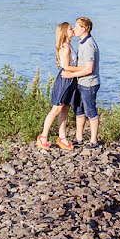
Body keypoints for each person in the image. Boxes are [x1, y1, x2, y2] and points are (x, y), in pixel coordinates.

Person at [37, 22, 78, 150]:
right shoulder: (65, 47)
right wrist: (84, 68)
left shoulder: (69, 45)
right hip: (64, 79)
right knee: (56, 109)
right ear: (65, 32)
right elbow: (66, 67)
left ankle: (62, 137)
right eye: (71, 29)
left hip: (71, 79)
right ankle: (43, 136)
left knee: (65, 108)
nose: (73, 30)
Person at [62, 16, 100, 148]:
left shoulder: (89, 44)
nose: (74, 28)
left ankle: (94, 141)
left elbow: (89, 69)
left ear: (84, 29)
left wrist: (70, 74)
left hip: (89, 83)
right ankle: (79, 138)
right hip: (81, 82)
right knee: (79, 110)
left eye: (77, 26)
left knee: (90, 111)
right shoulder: (82, 41)